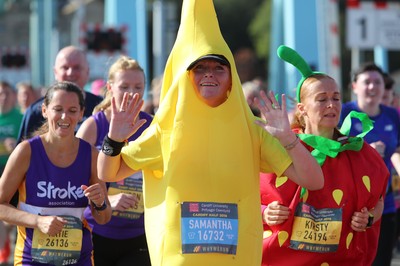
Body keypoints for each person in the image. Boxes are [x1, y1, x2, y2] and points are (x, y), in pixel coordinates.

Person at [97, 1, 324, 265]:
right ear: (187, 76)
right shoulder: (165, 128)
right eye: (200, 68)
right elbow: (108, 173)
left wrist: (289, 140)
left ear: (231, 78)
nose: (209, 75)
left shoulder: (251, 130)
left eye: (218, 68)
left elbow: (314, 181)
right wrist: (114, 138)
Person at [260, 45, 389, 266]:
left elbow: (379, 202)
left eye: (336, 98)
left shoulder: (359, 152)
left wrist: (368, 218)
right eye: (321, 99)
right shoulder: (278, 147)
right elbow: (244, 196)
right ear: (302, 108)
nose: (331, 105)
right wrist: (264, 212)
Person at [0, 81, 111, 266]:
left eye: (72, 110)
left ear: (81, 113)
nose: (64, 116)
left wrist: (100, 203)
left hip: (78, 260)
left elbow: (104, 217)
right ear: (44, 110)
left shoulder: (91, 155)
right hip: (32, 259)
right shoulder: (26, 152)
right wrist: (38, 222)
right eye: (57, 109)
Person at [76, 56, 152, 266]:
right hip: (98, 231)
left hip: (141, 233)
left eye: (138, 86)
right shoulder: (93, 126)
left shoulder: (152, 126)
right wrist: (105, 202)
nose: (132, 93)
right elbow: (73, 180)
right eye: (124, 86)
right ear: (110, 87)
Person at [340, 62, 400, 266]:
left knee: (382, 261)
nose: (373, 87)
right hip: (351, 205)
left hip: (386, 203)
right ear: (354, 86)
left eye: (378, 82)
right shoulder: (342, 113)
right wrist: (365, 152)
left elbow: (398, 151)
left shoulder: (392, 115)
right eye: (367, 82)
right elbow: (329, 149)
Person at [17, 45, 103, 143]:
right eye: (65, 67)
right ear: (55, 72)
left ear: (87, 71)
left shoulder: (102, 107)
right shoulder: (35, 111)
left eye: (77, 68)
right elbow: (24, 152)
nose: (70, 73)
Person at [0, 81, 23, 265]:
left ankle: (11, 247)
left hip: (13, 172)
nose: (3, 97)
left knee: (11, 213)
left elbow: (27, 144)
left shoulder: (19, 117)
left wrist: (14, 147)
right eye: (0, 93)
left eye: (6, 93)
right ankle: (3, 252)